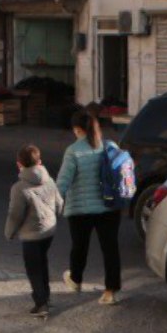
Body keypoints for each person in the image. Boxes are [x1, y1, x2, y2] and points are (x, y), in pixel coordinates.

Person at [56, 105, 122, 305]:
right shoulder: (110, 146)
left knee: (79, 247)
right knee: (110, 249)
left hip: (80, 211)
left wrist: (52, 203)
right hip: (109, 208)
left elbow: (63, 182)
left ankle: (75, 280)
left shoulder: (73, 151)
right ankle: (110, 292)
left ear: (77, 129)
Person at [6, 144, 63, 319]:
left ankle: (41, 304)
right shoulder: (50, 180)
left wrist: (9, 233)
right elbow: (59, 204)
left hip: (31, 235)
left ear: (19, 164)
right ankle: (45, 296)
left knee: (33, 269)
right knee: (42, 262)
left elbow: (15, 215)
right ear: (39, 161)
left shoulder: (19, 188)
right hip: (49, 232)